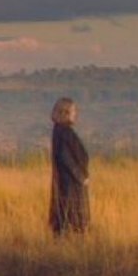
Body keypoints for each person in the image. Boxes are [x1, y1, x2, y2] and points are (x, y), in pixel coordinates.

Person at [48, 97, 89, 235]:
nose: (76, 114)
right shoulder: (64, 132)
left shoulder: (60, 131)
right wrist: (80, 176)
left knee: (67, 217)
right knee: (71, 217)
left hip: (68, 182)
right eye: (73, 111)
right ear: (65, 113)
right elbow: (65, 157)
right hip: (70, 183)